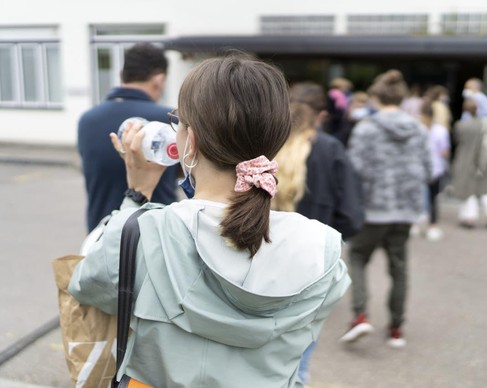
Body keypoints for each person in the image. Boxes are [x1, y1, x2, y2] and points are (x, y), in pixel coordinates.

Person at [68, 54, 351, 387]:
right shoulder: (323, 249)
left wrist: (137, 195)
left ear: (191, 142)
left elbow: (87, 286)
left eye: (179, 122)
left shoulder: (139, 232)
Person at [272, 81, 365, 385]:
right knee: (300, 360)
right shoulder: (330, 149)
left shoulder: (265, 143)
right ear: (322, 114)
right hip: (312, 269)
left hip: (262, 260)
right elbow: (351, 214)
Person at [340, 70, 432, 348]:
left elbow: (353, 171)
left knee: (357, 256)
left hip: (373, 209)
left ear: (376, 97)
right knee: (399, 267)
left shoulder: (366, 128)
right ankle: (396, 328)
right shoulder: (418, 128)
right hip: (406, 210)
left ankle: (360, 315)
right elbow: (429, 169)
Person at [77, 42, 178, 232]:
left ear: (123, 75)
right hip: (156, 237)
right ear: (159, 79)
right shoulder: (170, 120)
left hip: (102, 234)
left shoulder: (87, 120)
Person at [452, 99, 487, 229]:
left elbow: (457, 139)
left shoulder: (461, 125)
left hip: (466, 160)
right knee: (485, 189)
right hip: (483, 160)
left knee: (468, 189)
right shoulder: (483, 124)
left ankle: (469, 217)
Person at [419, 101, 451, 241]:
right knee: (433, 199)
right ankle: (432, 226)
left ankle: (415, 224)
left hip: (419, 168)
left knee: (417, 197)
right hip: (436, 169)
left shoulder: (418, 129)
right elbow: (444, 151)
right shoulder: (441, 130)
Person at [325, 77, 353, 145]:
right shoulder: (338, 95)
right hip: (336, 124)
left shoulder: (330, 94)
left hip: (333, 123)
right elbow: (340, 109)